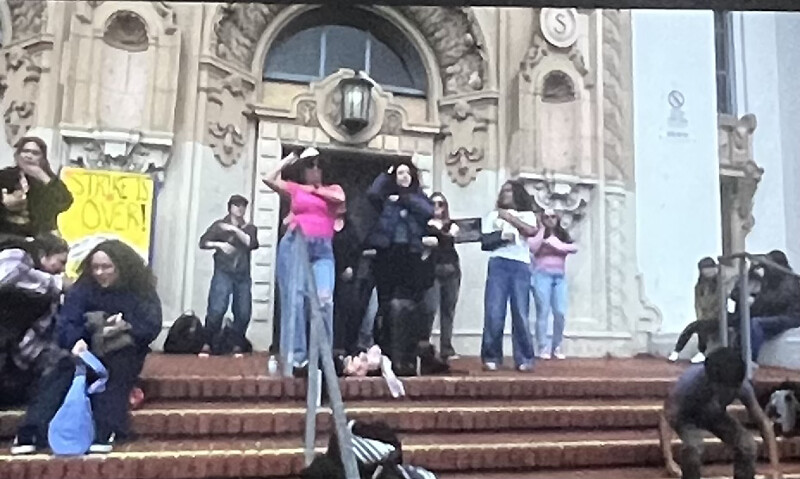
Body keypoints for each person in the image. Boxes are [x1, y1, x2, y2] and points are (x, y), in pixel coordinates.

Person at [11, 240, 162, 455]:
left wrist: (124, 326)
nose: (100, 273)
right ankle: (32, 430)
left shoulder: (140, 290)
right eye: (96, 267)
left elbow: (150, 325)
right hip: (86, 349)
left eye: (107, 267)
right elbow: (68, 321)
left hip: (123, 349)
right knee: (60, 371)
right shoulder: (84, 288)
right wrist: (76, 340)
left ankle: (105, 428)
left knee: (118, 371)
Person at [263, 147, 345, 372]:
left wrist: (313, 191)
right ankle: (297, 358)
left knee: (324, 301)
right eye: (310, 165)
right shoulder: (295, 189)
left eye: (319, 165)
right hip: (296, 244)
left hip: (322, 248)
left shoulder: (331, 189)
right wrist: (289, 160)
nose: (315, 169)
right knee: (296, 301)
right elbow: (267, 178)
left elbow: (339, 198)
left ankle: (322, 356)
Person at [658, 347, 780, 479]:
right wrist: (669, 460)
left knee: (747, 444)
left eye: (731, 390)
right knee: (693, 448)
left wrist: (774, 468)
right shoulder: (689, 383)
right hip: (687, 417)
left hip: (715, 414)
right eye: (723, 389)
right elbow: (666, 417)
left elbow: (763, 421)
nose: (727, 393)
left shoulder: (740, 386)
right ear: (711, 380)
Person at [366, 161, 435, 376]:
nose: (403, 176)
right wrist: (386, 174)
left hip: (412, 254)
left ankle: (407, 354)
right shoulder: (387, 199)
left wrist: (405, 198)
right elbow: (372, 194)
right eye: (399, 173)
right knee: (387, 304)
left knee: (409, 305)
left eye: (407, 172)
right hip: (388, 253)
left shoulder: (419, 197)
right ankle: (386, 353)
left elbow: (428, 211)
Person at [0, 234, 70, 406]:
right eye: (60, 262)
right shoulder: (18, 254)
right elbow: (4, 276)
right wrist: (56, 284)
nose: (62, 270)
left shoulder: (46, 296)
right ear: (42, 255)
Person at [479, 180, 538, 372]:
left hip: (520, 265)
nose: (505, 194)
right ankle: (491, 356)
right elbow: (485, 242)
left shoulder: (527, 215)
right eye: (503, 191)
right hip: (499, 263)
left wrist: (510, 218)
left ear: (518, 194)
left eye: (509, 191)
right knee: (494, 311)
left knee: (520, 312)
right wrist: (501, 237)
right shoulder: (493, 216)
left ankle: (524, 358)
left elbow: (531, 231)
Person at [199, 194, 259, 347]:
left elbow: (251, 243)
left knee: (243, 312)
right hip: (223, 272)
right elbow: (203, 242)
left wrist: (233, 229)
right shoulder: (219, 226)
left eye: (243, 206)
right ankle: (208, 342)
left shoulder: (249, 228)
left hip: (242, 274)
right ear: (230, 207)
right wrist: (220, 245)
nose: (240, 209)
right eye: (236, 205)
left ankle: (237, 342)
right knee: (217, 308)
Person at [528, 209, 577, 360]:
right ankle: (543, 346)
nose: (550, 220)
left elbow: (573, 247)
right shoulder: (538, 233)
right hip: (542, 276)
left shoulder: (562, 235)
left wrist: (555, 245)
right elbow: (532, 247)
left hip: (559, 277)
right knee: (543, 311)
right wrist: (542, 232)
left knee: (560, 312)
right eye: (546, 217)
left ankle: (557, 345)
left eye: (553, 217)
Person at [1, 137, 73, 236]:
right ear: (17, 155)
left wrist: (41, 175)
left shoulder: (47, 179)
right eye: (25, 151)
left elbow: (65, 202)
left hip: (39, 235)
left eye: (35, 153)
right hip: (8, 234)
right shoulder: (5, 176)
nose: (29, 156)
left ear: (42, 158)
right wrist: (5, 202)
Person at [422, 192, 461, 360]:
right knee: (430, 308)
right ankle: (424, 345)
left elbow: (450, 238)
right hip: (433, 269)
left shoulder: (451, 225)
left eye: (441, 204)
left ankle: (446, 347)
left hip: (451, 268)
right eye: (433, 204)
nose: (437, 207)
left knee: (448, 309)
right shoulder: (424, 224)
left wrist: (442, 233)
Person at [749, 250, 800, 362]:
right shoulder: (769, 280)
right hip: (778, 314)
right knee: (744, 321)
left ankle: (753, 360)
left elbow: (780, 301)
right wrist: (750, 273)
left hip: (792, 316)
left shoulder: (791, 279)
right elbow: (760, 303)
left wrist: (761, 301)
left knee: (756, 323)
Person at [668, 257, 722, 364]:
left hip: (717, 318)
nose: (707, 272)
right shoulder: (699, 286)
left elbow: (719, 304)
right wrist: (701, 316)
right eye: (704, 269)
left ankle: (702, 352)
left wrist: (709, 316)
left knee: (701, 326)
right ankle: (676, 351)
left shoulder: (720, 284)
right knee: (693, 327)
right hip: (704, 317)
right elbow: (697, 304)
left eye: (709, 268)